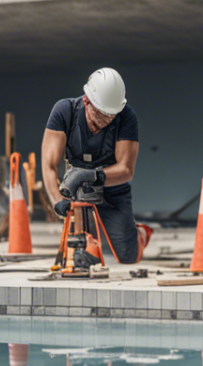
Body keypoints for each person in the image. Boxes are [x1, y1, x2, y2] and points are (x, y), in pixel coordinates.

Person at [42, 68, 152, 264]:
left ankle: (141, 233)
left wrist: (92, 175)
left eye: (111, 115)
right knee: (82, 258)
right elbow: (49, 165)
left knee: (128, 256)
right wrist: (57, 201)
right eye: (101, 115)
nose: (107, 121)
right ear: (86, 101)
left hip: (113, 189)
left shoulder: (126, 117)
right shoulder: (65, 112)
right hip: (79, 193)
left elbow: (126, 170)